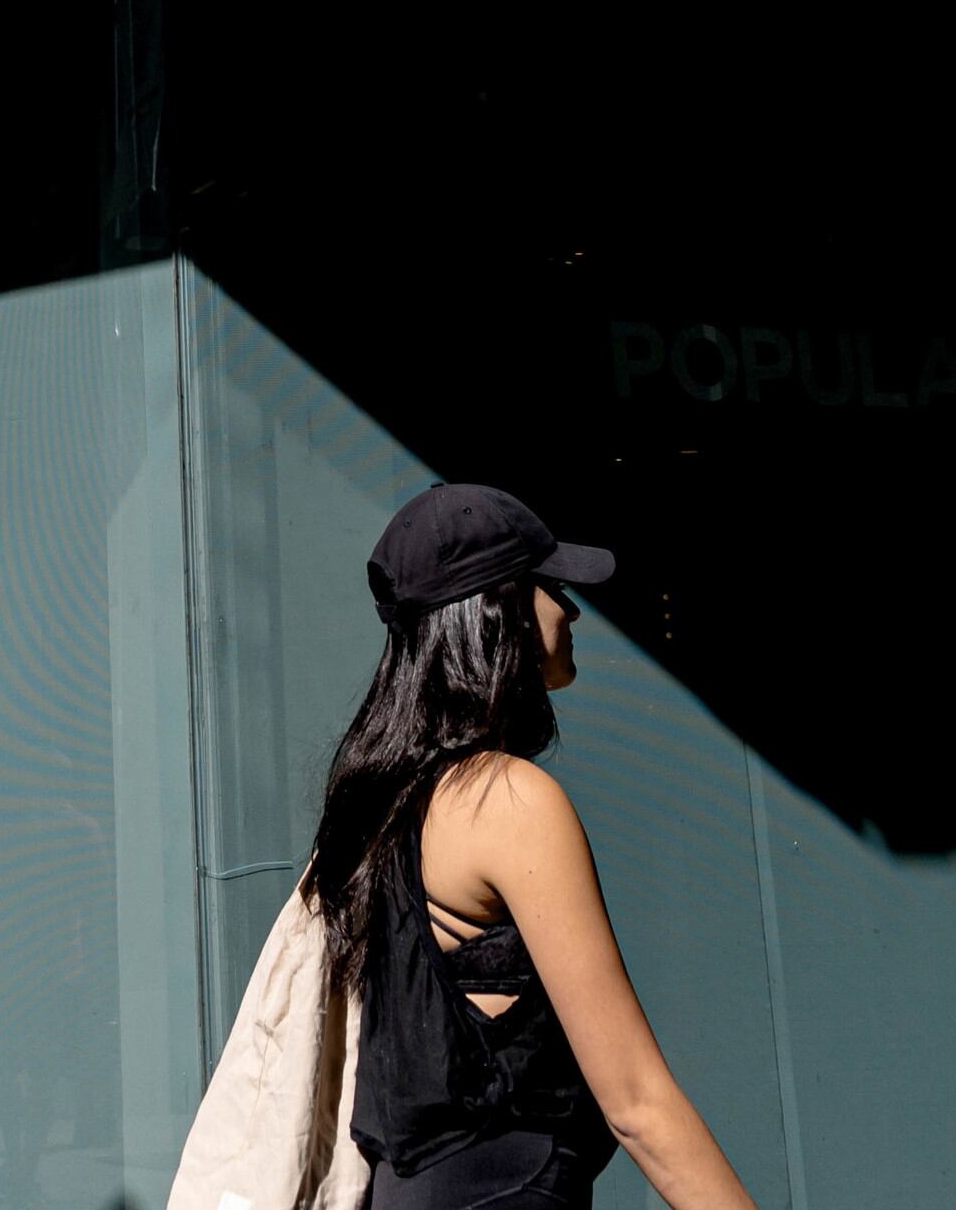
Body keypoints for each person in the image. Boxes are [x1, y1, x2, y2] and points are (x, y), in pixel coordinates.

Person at [314, 484, 756, 1210]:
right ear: (501, 608)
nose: (571, 612)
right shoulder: (508, 800)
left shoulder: (388, 810)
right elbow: (637, 1103)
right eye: (553, 588)